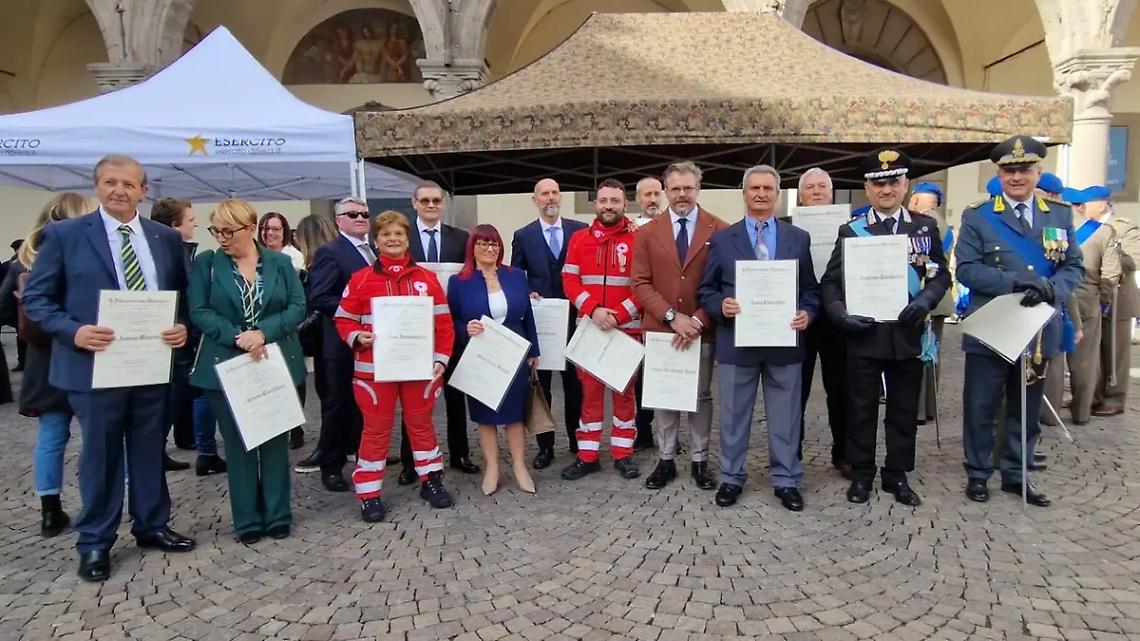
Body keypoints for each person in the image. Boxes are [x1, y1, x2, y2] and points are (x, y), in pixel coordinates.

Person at [22, 154, 195, 582]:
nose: (119, 190)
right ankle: (95, 540)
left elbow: (184, 298)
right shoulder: (63, 235)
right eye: (110, 182)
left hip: (151, 362)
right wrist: (73, 331)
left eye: (128, 184)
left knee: (150, 446)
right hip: (94, 365)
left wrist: (182, 327)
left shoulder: (164, 238)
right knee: (99, 454)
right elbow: (37, 300)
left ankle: (152, 524)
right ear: (96, 186)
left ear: (144, 190)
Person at [955, 136, 1083, 508]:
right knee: (981, 404)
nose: (1016, 177)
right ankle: (978, 474)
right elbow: (966, 269)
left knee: (1026, 405)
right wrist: (1015, 282)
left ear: (1038, 172)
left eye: (1024, 170)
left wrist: (1051, 290)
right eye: (1009, 170)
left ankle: (1017, 473)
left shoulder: (1058, 214)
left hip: (1038, 328)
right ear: (999, 173)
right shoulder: (978, 214)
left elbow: (1073, 265)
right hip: (993, 325)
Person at [820, 149, 950, 507]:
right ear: (867, 187)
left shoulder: (924, 227)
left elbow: (941, 277)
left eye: (894, 181)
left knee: (903, 409)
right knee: (860, 409)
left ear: (906, 184)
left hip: (907, 334)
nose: (887, 189)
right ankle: (862, 473)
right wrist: (841, 315)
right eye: (878, 183)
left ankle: (897, 474)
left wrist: (924, 302)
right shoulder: (851, 230)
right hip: (864, 334)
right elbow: (830, 283)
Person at [698, 165, 819, 510]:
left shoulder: (798, 238)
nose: (761, 194)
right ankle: (731, 477)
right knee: (734, 415)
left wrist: (807, 313)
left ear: (778, 194)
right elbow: (706, 290)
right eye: (755, 188)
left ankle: (786, 479)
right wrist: (721, 305)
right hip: (738, 341)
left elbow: (810, 290)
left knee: (786, 415)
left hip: (784, 341)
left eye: (768, 188)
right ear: (744, 193)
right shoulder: (723, 239)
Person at [188, 199, 306, 544]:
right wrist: (238, 337)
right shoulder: (207, 263)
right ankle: (247, 519)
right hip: (226, 365)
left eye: (229, 231)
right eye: (216, 231)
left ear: (250, 228)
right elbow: (198, 309)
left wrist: (264, 332)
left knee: (273, 437)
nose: (222, 238)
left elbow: (297, 306)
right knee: (239, 443)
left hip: (272, 361)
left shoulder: (280, 263)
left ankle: (277, 514)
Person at [334, 211, 455, 522]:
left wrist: (441, 358)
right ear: (376, 240)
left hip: (419, 369)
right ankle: (369, 494)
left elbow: (444, 323)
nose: (392, 239)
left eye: (398, 234)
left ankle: (431, 481)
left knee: (422, 425)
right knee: (375, 431)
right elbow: (343, 319)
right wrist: (356, 336)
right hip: (374, 371)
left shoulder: (426, 279)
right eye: (386, 234)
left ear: (407, 238)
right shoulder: (361, 279)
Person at [631, 162, 727, 491]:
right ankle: (666, 459)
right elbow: (640, 283)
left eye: (688, 188)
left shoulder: (720, 229)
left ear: (698, 189)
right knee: (664, 396)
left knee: (701, 396)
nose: (682, 194)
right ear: (665, 191)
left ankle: (700, 460)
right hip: (661, 330)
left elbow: (726, 282)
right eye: (675, 189)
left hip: (704, 328)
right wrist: (672, 317)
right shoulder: (646, 233)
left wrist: (699, 319)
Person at [8, 193, 88, 536]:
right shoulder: (80, 256)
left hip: (44, 363)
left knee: (52, 437)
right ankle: (96, 503)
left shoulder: (24, 260)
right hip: (81, 356)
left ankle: (50, 509)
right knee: (94, 436)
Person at [447, 225, 540, 495]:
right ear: (472, 247)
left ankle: (520, 467)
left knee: (514, 415)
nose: (490, 249)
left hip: (513, 353)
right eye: (483, 244)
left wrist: (534, 349)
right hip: (480, 354)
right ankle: (492, 467)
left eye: (495, 244)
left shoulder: (515, 277)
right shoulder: (460, 281)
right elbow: (451, 318)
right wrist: (465, 328)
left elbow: (529, 316)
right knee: (485, 416)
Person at [560, 178, 643, 481]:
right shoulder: (580, 239)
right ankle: (588, 455)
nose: (609, 206)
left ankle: (623, 454)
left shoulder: (639, 239)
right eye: (604, 200)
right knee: (590, 396)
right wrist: (593, 309)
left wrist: (620, 315)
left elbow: (644, 285)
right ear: (595, 203)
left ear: (625, 204)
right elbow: (569, 281)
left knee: (624, 396)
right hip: (591, 330)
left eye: (615, 201)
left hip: (627, 331)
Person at [402, 181, 478, 479]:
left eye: (436, 200)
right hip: (415, 331)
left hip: (452, 328)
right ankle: (411, 462)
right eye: (425, 201)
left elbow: (468, 280)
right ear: (414, 203)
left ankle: (459, 454)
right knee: (414, 399)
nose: (431, 205)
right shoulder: (402, 237)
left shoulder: (460, 239)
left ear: (444, 204)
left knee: (456, 395)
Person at [510, 178, 587, 468]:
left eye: (555, 192)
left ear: (560, 197)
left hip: (575, 320)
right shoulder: (524, 235)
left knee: (574, 385)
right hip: (542, 322)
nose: (550, 198)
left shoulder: (579, 230)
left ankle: (578, 441)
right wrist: (525, 290)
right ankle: (545, 446)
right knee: (542, 386)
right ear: (535, 200)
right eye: (545, 194)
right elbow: (516, 275)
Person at [303, 197, 373, 491]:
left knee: (362, 405)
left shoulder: (373, 252)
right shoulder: (330, 252)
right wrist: (356, 314)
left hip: (369, 343)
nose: (360, 218)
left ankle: (362, 455)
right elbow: (320, 296)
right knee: (337, 405)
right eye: (352, 214)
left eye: (364, 214)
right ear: (338, 220)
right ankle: (331, 465)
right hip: (340, 345)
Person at [790, 167, 851, 478]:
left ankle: (843, 453)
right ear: (800, 195)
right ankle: (792, 453)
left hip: (837, 317)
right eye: (809, 187)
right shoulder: (787, 228)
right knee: (794, 389)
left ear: (832, 192)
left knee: (840, 389)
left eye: (821, 187)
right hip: (798, 317)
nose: (815, 191)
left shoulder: (850, 227)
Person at [149, 197, 215, 473]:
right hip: (176, 341)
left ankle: (189, 447)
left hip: (182, 337)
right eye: (190, 220)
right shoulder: (170, 254)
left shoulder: (177, 252)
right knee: (175, 398)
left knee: (184, 396)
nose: (196, 224)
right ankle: (156, 451)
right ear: (174, 226)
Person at [1061, 187, 1120, 425]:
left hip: (1055, 294)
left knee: (1050, 359)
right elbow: (1111, 274)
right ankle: (1081, 412)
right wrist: (1102, 300)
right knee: (1084, 361)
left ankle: (1047, 411)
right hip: (1086, 299)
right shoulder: (1104, 232)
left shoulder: (1058, 227)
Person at [292, 214, 339, 471]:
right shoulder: (332, 258)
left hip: (326, 339)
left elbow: (319, 300)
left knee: (330, 396)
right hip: (330, 338)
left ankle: (328, 450)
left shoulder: (319, 263)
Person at [908, 182, 956, 426]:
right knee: (932, 352)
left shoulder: (924, 223)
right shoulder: (944, 223)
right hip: (940, 299)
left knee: (921, 352)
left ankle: (918, 408)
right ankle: (929, 406)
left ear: (917, 200)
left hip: (925, 296)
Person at [1090, 186, 1140, 417]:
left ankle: (1115, 397)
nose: (1079, 208)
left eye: (1085, 203)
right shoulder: (1086, 229)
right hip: (1096, 293)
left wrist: (1110, 251)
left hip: (1119, 297)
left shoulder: (1124, 227)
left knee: (1116, 350)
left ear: (1101, 204)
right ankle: (1094, 394)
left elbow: (1134, 260)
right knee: (1094, 351)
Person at [258, 211, 306, 449]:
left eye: (276, 229)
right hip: (262, 330)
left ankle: (295, 425)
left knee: (293, 377)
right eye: (266, 229)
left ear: (284, 232)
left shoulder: (292, 258)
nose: (270, 233)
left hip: (286, 325)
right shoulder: (255, 256)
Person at [631, 176, 665, 451]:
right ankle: (642, 429)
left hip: (664, 312)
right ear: (638, 199)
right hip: (633, 313)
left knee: (665, 375)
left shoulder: (671, 227)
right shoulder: (628, 230)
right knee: (639, 377)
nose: (652, 199)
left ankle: (668, 434)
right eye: (647, 195)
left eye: (656, 193)